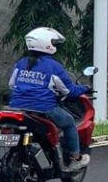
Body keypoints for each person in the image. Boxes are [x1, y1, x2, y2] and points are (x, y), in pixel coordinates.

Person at [8, 27, 90, 169]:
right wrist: (85, 88)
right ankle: (75, 158)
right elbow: (69, 91)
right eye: (53, 42)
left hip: (17, 108)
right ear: (46, 43)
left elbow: (11, 85)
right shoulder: (53, 66)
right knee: (69, 122)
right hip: (43, 109)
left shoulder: (21, 63)